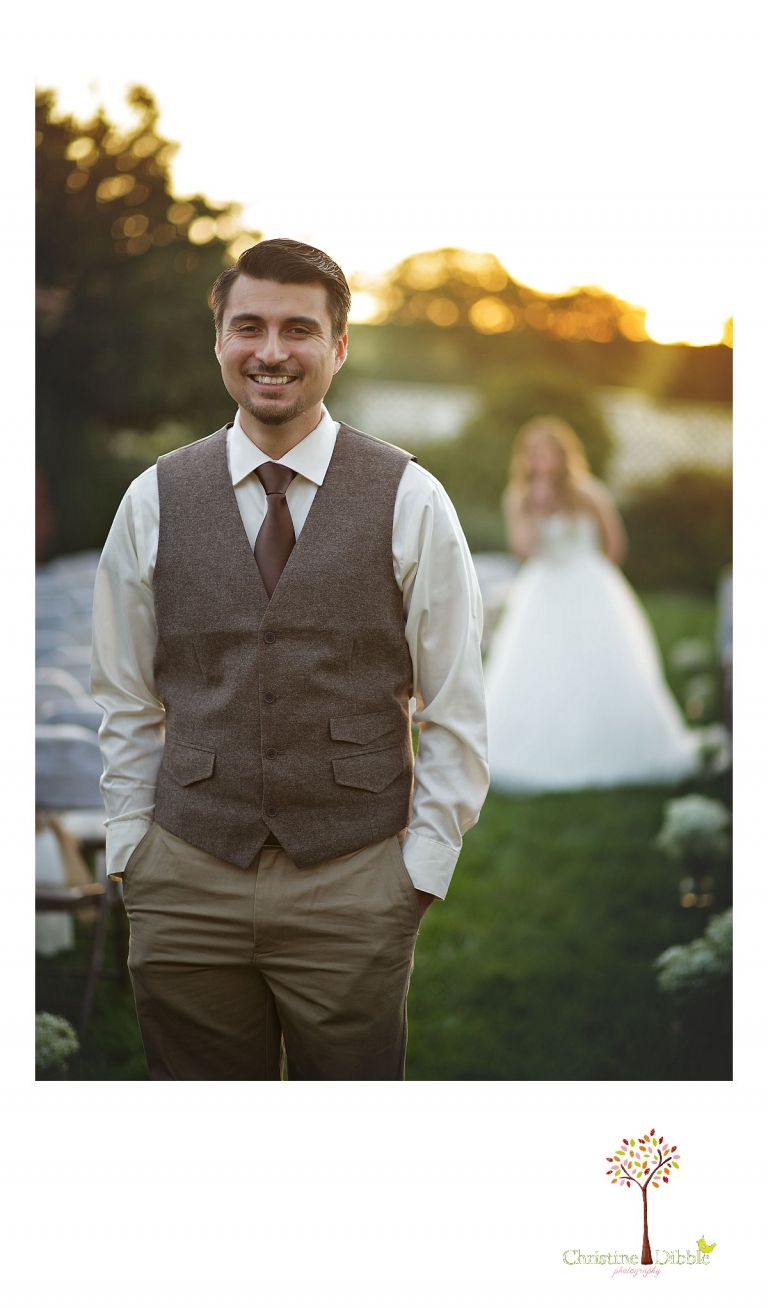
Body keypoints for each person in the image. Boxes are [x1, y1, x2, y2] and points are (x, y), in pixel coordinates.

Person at [91, 238, 489, 1081]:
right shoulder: (153, 498)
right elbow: (124, 696)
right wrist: (134, 851)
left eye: (299, 329)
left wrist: (418, 873)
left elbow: (455, 704)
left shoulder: (411, 497)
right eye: (250, 327)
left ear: (338, 347)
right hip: (187, 871)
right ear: (221, 341)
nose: (271, 352)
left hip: (353, 877)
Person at [483, 415, 701, 793]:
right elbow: (522, 550)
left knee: (600, 663)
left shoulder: (587, 492)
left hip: (590, 584)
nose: (541, 460)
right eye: (534, 453)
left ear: (564, 456)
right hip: (542, 588)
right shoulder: (518, 497)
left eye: (548, 452)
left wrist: (592, 574)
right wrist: (535, 509)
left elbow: (614, 543)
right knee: (540, 669)